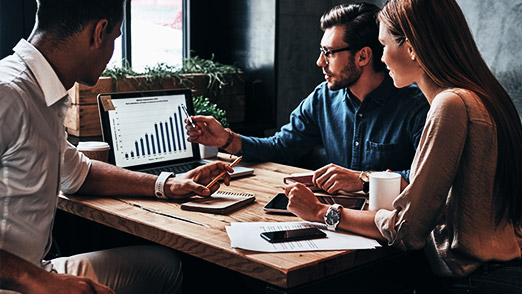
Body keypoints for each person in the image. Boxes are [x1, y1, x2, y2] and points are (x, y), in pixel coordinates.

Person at [285, 0, 522, 292]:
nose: (381, 58)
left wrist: (322, 212)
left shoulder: (450, 105)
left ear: (410, 47)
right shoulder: (483, 96)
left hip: (473, 283)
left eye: (383, 45)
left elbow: (408, 230)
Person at [0, 0, 234, 293]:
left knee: (165, 266)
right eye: (115, 36)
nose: (112, 52)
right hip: (18, 281)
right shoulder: (7, 92)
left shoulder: (42, 92)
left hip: (34, 270)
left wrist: (168, 184)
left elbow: (79, 174)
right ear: (99, 32)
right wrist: (39, 281)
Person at [185, 2, 429, 194]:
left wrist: (362, 179)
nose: (320, 62)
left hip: (390, 233)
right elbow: (281, 148)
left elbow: (425, 181)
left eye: (329, 53)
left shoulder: (416, 106)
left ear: (363, 57)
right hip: (335, 222)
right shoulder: (323, 98)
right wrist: (226, 138)